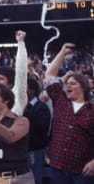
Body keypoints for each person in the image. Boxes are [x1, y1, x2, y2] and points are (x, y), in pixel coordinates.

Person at [44, 43, 94, 184]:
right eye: (67, 83)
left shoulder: (92, 110)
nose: (68, 85)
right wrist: (62, 52)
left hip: (83, 172)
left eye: (73, 83)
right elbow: (49, 75)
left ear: (83, 88)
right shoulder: (61, 101)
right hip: (57, 168)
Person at [23, 78, 51, 184]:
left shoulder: (41, 107)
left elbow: (42, 126)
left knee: (35, 177)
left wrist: (26, 112)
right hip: (23, 149)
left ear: (32, 90)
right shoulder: (20, 105)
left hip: (35, 149)